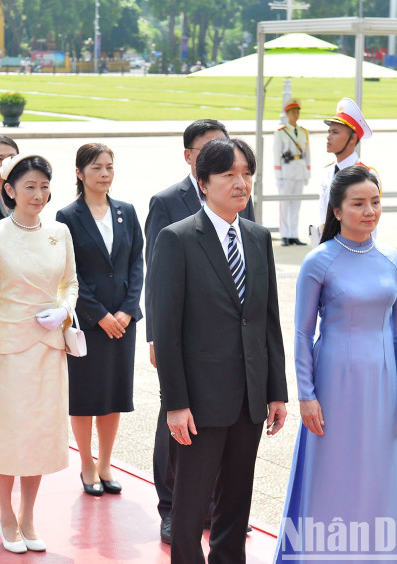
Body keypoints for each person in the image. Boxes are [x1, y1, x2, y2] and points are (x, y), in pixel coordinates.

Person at [150, 138, 288, 563]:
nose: (241, 182)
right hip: (199, 402)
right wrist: (176, 404)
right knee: (189, 510)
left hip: (249, 399)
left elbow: (266, 320)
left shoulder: (258, 236)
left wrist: (276, 391)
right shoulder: (178, 239)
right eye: (228, 174)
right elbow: (167, 331)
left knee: (236, 503)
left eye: (247, 173)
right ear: (202, 182)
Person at [274, 165, 397, 562]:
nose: (369, 210)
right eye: (358, 203)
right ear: (337, 210)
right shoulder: (319, 261)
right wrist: (306, 395)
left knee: (377, 472)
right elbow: (303, 334)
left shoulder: (394, 261)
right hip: (333, 381)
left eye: (375, 202)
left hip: (382, 381)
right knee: (332, 471)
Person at [143, 118, 255, 543]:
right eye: (219, 161)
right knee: (177, 429)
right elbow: (159, 281)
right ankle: (171, 508)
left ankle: (219, 509)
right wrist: (156, 336)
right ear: (193, 160)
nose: (236, 176)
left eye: (242, 168)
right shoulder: (168, 203)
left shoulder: (242, 204)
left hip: (232, 357)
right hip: (185, 344)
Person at [0, 154, 78, 554]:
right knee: (7, 436)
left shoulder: (59, 232)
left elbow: (70, 283)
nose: (38, 194)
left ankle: (29, 514)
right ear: (10, 190)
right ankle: (5, 513)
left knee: (39, 437)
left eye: (44, 186)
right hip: (8, 352)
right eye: (30, 186)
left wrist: (64, 310)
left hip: (49, 349)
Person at [56, 143, 143, 497]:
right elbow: (68, 272)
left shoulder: (126, 211)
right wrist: (100, 315)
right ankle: (87, 464)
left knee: (113, 395)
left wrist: (126, 310)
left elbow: (137, 263)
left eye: (109, 167)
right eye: (96, 168)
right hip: (88, 323)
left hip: (123, 321)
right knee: (85, 396)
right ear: (80, 173)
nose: (104, 173)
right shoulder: (68, 216)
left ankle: (107, 462)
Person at [311, 97, 376, 246]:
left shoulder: (366, 175)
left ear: (352, 139)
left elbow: (370, 223)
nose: (328, 137)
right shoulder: (327, 172)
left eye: (335, 132)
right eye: (329, 131)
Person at [273, 98, 310, 246]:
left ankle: (294, 234)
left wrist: (307, 172)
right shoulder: (281, 132)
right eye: (293, 112)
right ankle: (285, 235)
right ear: (287, 114)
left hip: (299, 171)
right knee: (285, 204)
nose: (296, 115)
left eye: (297, 112)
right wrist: (278, 175)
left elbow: (307, 154)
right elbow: (276, 154)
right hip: (286, 171)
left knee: (296, 204)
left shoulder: (303, 132)